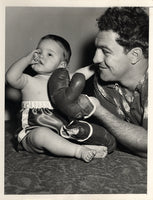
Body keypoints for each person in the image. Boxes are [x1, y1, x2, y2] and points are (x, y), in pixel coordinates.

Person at [6, 34, 108, 163]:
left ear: (61, 65)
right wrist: (27, 59)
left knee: (80, 129)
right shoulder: (28, 81)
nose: (41, 55)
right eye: (39, 51)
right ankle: (77, 151)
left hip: (61, 130)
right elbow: (11, 77)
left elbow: (80, 74)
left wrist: (96, 66)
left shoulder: (63, 82)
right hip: (33, 132)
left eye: (49, 54)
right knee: (41, 134)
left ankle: (80, 146)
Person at [78, 7, 148, 158]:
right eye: (97, 49)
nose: (95, 59)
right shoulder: (104, 80)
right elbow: (116, 140)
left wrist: (98, 111)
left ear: (134, 55)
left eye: (105, 51)